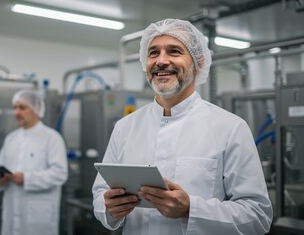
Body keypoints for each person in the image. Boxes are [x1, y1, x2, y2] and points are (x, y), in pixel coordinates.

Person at [92, 18, 273, 234]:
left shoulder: (230, 128)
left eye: (174, 51)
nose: (161, 61)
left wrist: (191, 209)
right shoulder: (125, 127)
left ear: (198, 63)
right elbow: (100, 193)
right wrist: (109, 207)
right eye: (153, 53)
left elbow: (257, 215)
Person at [0, 89, 68, 235]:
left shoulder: (52, 138)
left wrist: (26, 179)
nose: (17, 112)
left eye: (22, 107)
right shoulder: (11, 139)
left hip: (38, 217)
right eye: (15, 107)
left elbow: (60, 174)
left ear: (36, 109)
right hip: (11, 213)